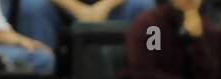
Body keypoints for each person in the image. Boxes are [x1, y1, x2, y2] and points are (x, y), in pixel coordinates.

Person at [9, 0, 154, 52]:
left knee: (145, 5)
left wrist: (104, 6)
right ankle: (42, 75)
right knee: (33, 5)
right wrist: (78, 9)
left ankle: (147, 74)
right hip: (63, 9)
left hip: (111, 8)